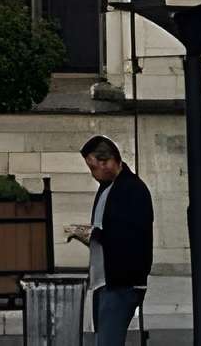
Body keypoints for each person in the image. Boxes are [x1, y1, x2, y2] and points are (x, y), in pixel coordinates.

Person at [67, 135, 153, 346]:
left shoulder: (132, 189)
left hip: (121, 282)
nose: (93, 173)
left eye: (94, 167)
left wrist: (91, 234)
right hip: (105, 280)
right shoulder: (108, 188)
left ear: (107, 162)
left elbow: (127, 236)